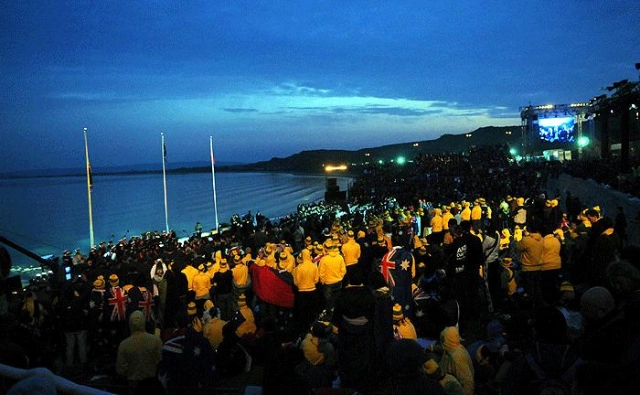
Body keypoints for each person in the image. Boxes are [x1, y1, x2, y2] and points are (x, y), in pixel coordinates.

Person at [116, 310, 163, 394]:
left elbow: (120, 369)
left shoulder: (124, 344)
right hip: (151, 383)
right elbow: (160, 360)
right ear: (143, 322)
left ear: (130, 324)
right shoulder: (156, 341)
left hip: (133, 384)